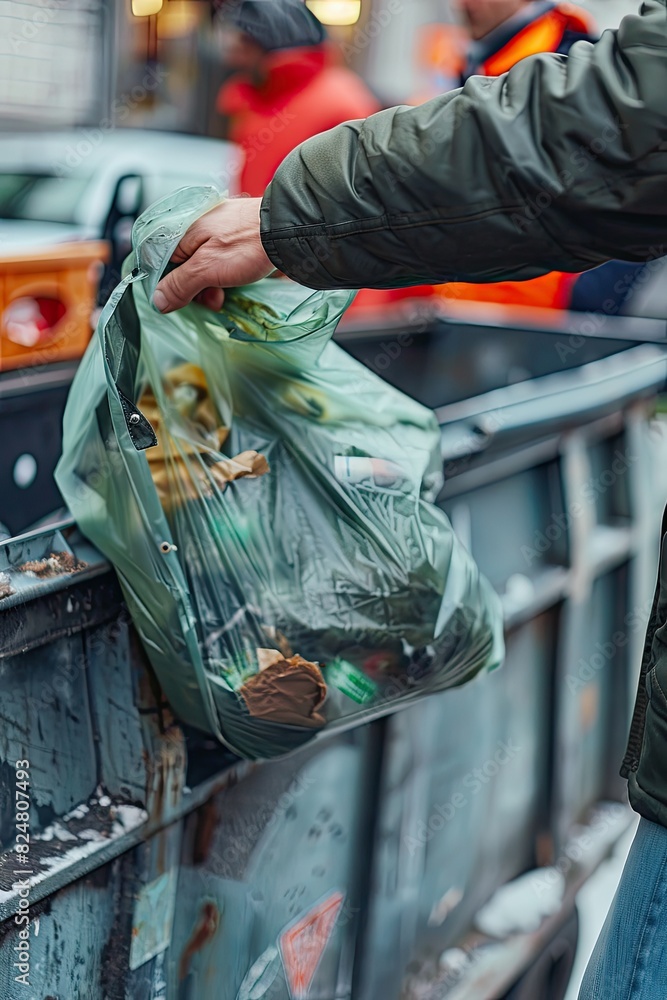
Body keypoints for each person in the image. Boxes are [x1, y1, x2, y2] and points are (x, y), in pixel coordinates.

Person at [154, 2, 667, 995]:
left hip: (492, 336)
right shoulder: (445, 66)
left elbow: (594, 135)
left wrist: (288, 223)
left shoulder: (375, 90)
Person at [438, 0, 648, 313]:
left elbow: (633, 196)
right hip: (471, 312)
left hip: (539, 320)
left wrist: (586, 300)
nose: (463, 4)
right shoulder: (479, 67)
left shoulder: (577, 65)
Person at [216, 0, 380, 198]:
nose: (234, 58)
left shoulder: (342, 104)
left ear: (270, 49)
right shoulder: (262, 94)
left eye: (246, 45)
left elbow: (358, 195)